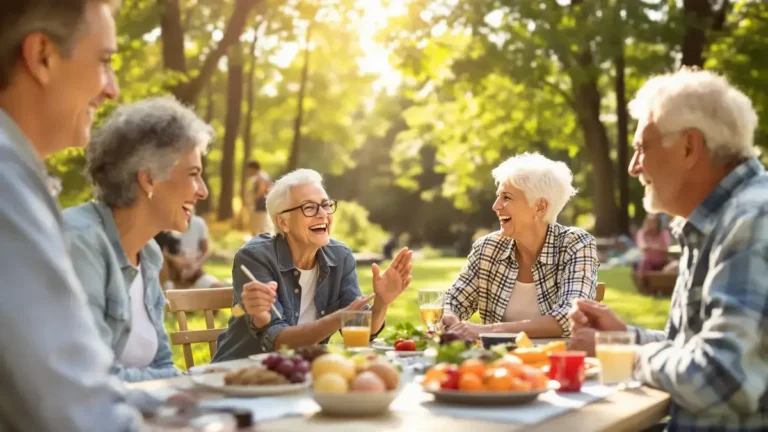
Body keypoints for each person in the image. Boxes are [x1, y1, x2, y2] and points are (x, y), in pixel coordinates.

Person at [568, 68, 768, 430]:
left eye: (642, 148)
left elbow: (722, 377)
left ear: (689, 147)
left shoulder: (753, 219)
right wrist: (625, 337)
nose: (633, 167)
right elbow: (692, 348)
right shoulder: (716, 219)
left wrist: (622, 353)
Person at [0, 0, 146, 429]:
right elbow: (74, 409)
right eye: (104, 62)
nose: (112, 89)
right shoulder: (7, 182)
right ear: (42, 56)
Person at [63, 96, 213, 382]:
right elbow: (93, 378)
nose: (202, 191)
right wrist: (183, 389)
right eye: (193, 175)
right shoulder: (80, 243)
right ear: (149, 179)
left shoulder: (149, 254)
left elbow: (163, 363)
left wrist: (194, 385)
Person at [213, 169, 413, 361]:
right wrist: (341, 317)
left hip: (298, 376)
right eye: (309, 207)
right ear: (283, 222)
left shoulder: (340, 256)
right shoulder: (255, 257)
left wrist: (382, 302)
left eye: (325, 205)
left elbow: (358, 328)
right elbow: (278, 341)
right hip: (240, 375)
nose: (323, 214)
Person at [441, 152, 599, 339]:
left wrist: (486, 331)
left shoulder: (576, 244)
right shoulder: (488, 248)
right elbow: (454, 300)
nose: (496, 206)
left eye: (506, 197)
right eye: (498, 196)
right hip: (499, 363)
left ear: (540, 207)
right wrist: (449, 316)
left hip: (555, 361)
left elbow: (567, 316)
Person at [246, 160, 272, 236]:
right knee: (260, 227)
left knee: (257, 228)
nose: (248, 172)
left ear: (252, 168)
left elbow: (260, 191)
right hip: (263, 205)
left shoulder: (260, 177)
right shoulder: (264, 175)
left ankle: (258, 245)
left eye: (249, 169)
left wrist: (251, 202)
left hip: (260, 205)